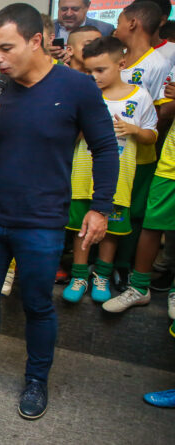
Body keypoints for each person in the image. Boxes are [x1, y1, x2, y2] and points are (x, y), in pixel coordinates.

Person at [0, 4, 118, 420]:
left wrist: (100, 209)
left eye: (6, 49)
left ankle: (37, 378)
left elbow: (105, 147)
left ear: (36, 40)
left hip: (42, 220)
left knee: (38, 304)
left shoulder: (77, 87)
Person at [64, 36, 158, 304]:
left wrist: (135, 130)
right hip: (83, 177)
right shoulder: (85, 95)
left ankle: (102, 275)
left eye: (101, 70)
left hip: (119, 179)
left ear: (122, 63)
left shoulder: (139, 97)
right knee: (80, 228)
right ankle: (79, 276)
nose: (94, 76)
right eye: (90, 70)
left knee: (111, 230)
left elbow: (152, 135)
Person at [113, 1, 171, 290]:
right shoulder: (117, 59)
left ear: (133, 23)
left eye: (120, 20)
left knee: (132, 212)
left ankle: (122, 266)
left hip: (141, 156)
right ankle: (102, 263)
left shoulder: (157, 64)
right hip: (109, 153)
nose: (117, 26)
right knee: (107, 205)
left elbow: (160, 115)